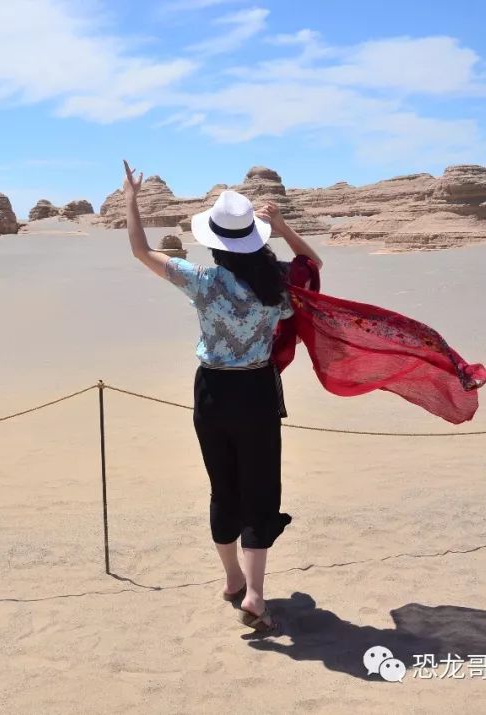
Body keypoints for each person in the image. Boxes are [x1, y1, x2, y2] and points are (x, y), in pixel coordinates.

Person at [121, 160, 323, 631]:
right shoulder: (278, 286)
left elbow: (138, 249)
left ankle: (232, 580)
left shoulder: (203, 282)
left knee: (222, 486)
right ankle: (254, 593)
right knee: (260, 488)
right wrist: (284, 228)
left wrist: (130, 196)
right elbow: (313, 266)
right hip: (256, 391)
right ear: (254, 238)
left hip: (211, 392)